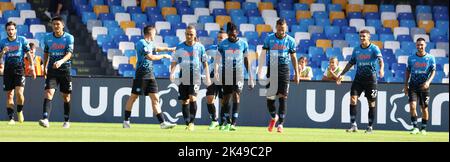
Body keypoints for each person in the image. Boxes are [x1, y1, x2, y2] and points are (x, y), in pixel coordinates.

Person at [122, 25, 177, 129]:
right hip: (141, 75)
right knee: (133, 97)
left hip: (150, 75)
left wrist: (170, 49)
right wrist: (164, 55)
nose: (155, 34)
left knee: (155, 98)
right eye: (154, 32)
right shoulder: (141, 43)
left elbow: (157, 49)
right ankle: (126, 121)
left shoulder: (150, 44)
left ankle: (162, 123)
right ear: (150, 32)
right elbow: (150, 57)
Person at [336, 29, 384, 133]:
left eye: (364, 36)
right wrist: (341, 74)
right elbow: (350, 63)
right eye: (361, 36)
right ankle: (353, 125)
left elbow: (381, 60)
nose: (362, 38)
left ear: (369, 37)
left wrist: (382, 69)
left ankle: (370, 126)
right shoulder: (356, 49)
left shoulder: (374, 48)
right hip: (358, 78)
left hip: (371, 79)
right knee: (353, 99)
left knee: (371, 103)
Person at [258, 18, 299, 133]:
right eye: (280, 29)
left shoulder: (290, 40)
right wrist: (260, 69)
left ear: (286, 28)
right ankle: (273, 117)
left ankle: (280, 124)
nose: (281, 31)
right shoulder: (269, 39)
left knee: (283, 97)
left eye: (283, 29)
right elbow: (263, 54)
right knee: (270, 98)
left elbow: (293, 57)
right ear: (276, 27)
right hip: (272, 68)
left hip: (284, 70)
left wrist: (297, 73)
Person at [170, 25, 211, 131]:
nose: (189, 36)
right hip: (183, 76)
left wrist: (207, 76)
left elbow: (205, 63)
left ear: (195, 35)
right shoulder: (179, 47)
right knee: (184, 101)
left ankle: (192, 123)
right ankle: (187, 123)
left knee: (192, 98)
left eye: (191, 34)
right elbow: (174, 61)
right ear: (185, 34)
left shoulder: (200, 47)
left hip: (195, 76)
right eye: (187, 34)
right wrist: (172, 73)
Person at [216, 22, 254, 131]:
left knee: (236, 95)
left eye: (234, 34)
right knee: (226, 98)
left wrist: (251, 77)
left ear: (236, 32)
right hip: (226, 73)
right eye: (230, 34)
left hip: (238, 73)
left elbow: (246, 60)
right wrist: (217, 71)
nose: (232, 36)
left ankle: (233, 123)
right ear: (227, 33)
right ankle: (225, 121)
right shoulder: (223, 44)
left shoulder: (243, 44)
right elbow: (218, 59)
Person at [38, 16, 74, 128]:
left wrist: (61, 61)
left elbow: (69, 54)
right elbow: (46, 52)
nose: (56, 26)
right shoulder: (47, 37)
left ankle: (67, 121)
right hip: (52, 70)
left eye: (58, 24)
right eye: (54, 24)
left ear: (63, 25)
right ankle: (45, 119)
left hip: (65, 70)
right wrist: (44, 65)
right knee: (48, 93)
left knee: (66, 96)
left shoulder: (69, 38)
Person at [0, 21, 36, 125]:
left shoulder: (22, 40)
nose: (10, 31)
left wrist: (32, 66)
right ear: (6, 31)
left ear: (16, 30)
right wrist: (3, 52)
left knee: (19, 93)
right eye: (8, 30)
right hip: (8, 70)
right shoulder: (2, 42)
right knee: (9, 95)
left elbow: (28, 54)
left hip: (19, 69)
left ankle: (19, 111)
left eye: (12, 29)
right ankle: (11, 119)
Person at [404, 38, 436, 135]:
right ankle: (415, 128)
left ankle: (423, 128)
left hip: (424, 87)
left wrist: (428, 82)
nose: (420, 47)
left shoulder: (430, 58)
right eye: (418, 45)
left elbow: (433, 71)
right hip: (413, 86)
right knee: (412, 106)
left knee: (424, 108)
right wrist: (406, 85)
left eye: (421, 45)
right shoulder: (411, 58)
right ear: (416, 45)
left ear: (425, 45)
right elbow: (408, 71)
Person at [205, 30, 227, 130]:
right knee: (209, 98)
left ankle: (222, 122)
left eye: (221, 38)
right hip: (213, 76)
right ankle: (214, 120)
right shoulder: (211, 48)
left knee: (224, 101)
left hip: (225, 77)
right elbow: (202, 55)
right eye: (218, 38)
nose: (219, 39)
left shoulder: (229, 49)